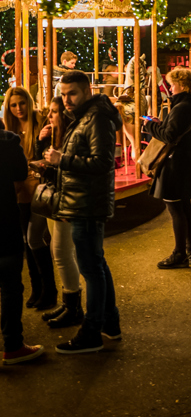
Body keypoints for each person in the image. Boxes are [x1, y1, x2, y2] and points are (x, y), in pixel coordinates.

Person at [44, 70, 122, 354]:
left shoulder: (96, 118)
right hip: (82, 201)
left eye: (72, 93)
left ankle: (92, 331)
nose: (66, 100)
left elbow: (102, 162)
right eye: (63, 94)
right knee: (96, 265)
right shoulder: (85, 117)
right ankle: (109, 323)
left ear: (87, 91)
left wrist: (61, 160)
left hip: (88, 204)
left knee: (91, 268)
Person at [3, 87, 57, 311]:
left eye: (21, 103)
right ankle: (38, 289)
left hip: (40, 189)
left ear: (29, 102)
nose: (18, 109)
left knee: (35, 239)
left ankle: (49, 290)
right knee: (27, 242)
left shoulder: (41, 121)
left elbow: (49, 152)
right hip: (20, 192)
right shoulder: (8, 127)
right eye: (13, 105)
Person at [143, 68, 191, 268]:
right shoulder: (188, 105)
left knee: (176, 209)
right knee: (185, 208)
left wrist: (149, 126)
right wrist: (161, 123)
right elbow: (172, 130)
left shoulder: (182, 107)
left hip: (175, 163)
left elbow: (169, 136)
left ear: (183, 85)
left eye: (173, 83)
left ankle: (179, 254)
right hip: (183, 161)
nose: (170, 87)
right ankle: (190, 251)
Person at [37, 97, 84, 328]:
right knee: (61, 252)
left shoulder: (72, 138)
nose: (50, 116)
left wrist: (53, 164)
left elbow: (72, 170)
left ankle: (74, 306)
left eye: (54, 112)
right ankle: (69, 302)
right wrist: (41, 143)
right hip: (55, 198)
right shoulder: (54, 136)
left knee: (62, 253)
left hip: (66, 200)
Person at [1, 120, 45, 365]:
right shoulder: (9, 143)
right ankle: (13, 345)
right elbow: (20, 183)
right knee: (10, 286)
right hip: (5, 223)